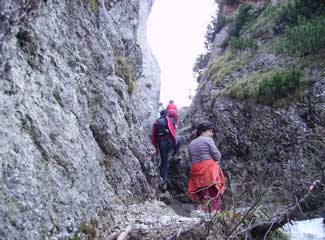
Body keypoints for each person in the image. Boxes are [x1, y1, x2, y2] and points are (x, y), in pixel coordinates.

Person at [187, 122, 225, 212]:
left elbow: (191, 159)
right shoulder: (208, 140)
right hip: (208, 169)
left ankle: (202, 211)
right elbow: (216, 155)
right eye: (210, 131)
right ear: (202, 131)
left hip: (195, 170)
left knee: (202, 192)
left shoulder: (191, 144)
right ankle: (213, 213)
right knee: (213, 192)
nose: (211, 134)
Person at [151, 110, 177, 192]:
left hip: (161, 143)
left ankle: (163, 182)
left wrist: (155, 145)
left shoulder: (157, 122)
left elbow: (154, 134)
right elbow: (174, 129)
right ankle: (175, 154)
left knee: (164, 162)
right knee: (180, 140)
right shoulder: (169, 120)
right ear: (166, 114)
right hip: (169, 141)